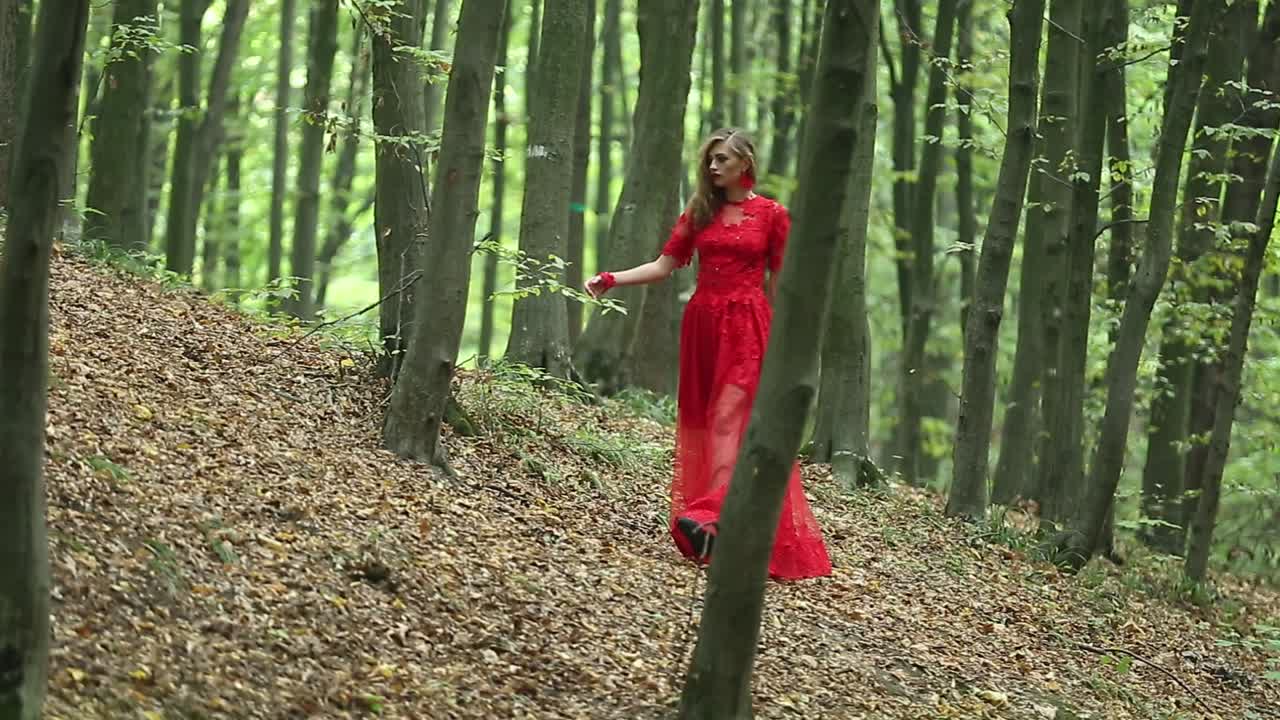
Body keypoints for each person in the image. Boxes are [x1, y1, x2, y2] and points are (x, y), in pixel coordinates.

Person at [585, 128, 832, 580]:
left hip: (749, 327)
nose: (713, 167)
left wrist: (787, 344)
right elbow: (664, 265)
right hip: (702, 326)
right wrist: (611, 278)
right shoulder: (700, 212)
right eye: (710, 161)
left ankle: (708, 516)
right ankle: (717, 528)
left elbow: (780, 283)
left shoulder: (773, 215)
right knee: (708, 424)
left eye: (722, 159)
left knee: (729, 420)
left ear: (745, 163)